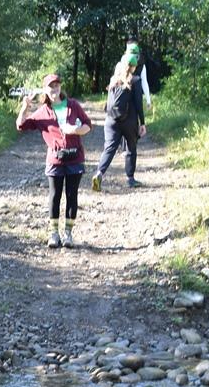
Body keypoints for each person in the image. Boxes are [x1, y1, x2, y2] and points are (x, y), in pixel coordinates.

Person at [16, 73, 92, 248]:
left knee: (72, 195)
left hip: (75, 157)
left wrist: (74, 130)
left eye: (56, 85)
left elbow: (88, 125)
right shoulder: (42, 112)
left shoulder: (73, 105)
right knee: (55, 196)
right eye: (51, 86)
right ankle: (54, 234)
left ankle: (68, 234)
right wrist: (25, 107)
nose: (54, 89)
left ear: (60, 87)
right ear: (45, 90)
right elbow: (20, 125)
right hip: (55, 160)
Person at [92, 54, 146, 190]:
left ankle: (99, 173)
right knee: (131, 148)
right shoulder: (135, 80)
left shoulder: (113, 80)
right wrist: (142, 122)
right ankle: (130, 179)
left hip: (111, 120)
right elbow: (138, 103)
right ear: (134, 67)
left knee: (109, 148)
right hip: (129, 121)